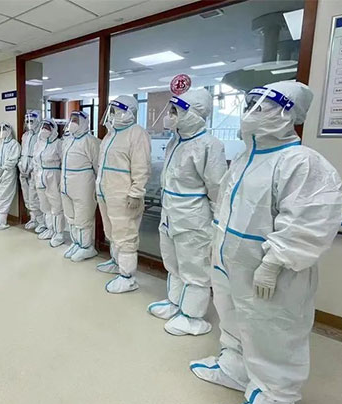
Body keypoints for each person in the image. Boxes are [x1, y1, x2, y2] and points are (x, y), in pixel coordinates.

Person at [188, 81, 342, 404]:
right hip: (230, 263)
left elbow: (309, 223)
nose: (250, 112)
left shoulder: (301, 162)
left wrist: (273, 263)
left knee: (271, 333)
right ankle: (235, 368)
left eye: (262, 105)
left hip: (271, 271)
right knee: (232, 318)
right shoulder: (246, 158)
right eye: (249, 104)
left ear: (287, 113)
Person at [147, 89, 227, 336]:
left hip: (193, 218)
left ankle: (193, 317)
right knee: (173, 262)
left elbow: (217, 188)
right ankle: (175, 302)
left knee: (194, 267)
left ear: (193, 113)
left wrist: (217, 222)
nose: (170, 115)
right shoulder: (175, 141)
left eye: (175, 111)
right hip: (170, 214)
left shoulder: (209, 145)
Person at [95, 95, 151, 293]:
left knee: (125, 234)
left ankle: (127, 276)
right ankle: (116, 261)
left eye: (115, 110)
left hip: (123, 195)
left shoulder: (137, 134)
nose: (111, 114)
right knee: (112, 231)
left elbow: (142, 166)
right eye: (111, 110)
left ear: (127, 111)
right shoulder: (110, 134)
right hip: (106, 192)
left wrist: (136, 193)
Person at [60, 110, 100, 261]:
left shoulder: (91, 142)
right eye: (71, 120)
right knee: (70, 216)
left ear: (84, 122)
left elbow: (98, 166)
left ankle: (86, 246)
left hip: (83, 186)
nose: (72, 123)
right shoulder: (67, 140)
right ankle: (76, 242)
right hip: (66, 185)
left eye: (76, 120)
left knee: (83, 217)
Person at [32, 118, 65, 247]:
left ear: (53, 130)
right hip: (40, 175)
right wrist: (35, 173)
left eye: (47, 128)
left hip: (53, 175)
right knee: (45, 205)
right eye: (43, 127)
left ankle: (59, 233)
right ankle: (50, 228)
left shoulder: (58, 143)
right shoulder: (38, 143)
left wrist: (62, 179)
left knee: (56, 205)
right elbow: (35, 160)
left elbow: (63, 161)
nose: (44, 130)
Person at [0, 123, 21, 231]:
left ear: (9, 131)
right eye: (0, 130)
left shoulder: (14, 144)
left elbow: (13, 159)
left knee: (4, 197)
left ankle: (1, 221)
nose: (2, 132)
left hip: (8, 173)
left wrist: (3, 169)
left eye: (4, 129)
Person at [18, 111, 46, 232]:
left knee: (35, 195)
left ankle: (42, 221)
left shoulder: (41, 135)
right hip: (23, 168)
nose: (29, 123)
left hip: (35, 169)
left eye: (32, 121)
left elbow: (38, 153)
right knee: (27, 195)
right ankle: (33, 218)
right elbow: (23, 152)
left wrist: (31, 167)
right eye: (27, 121)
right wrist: (21, 165)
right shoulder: (25, 136)